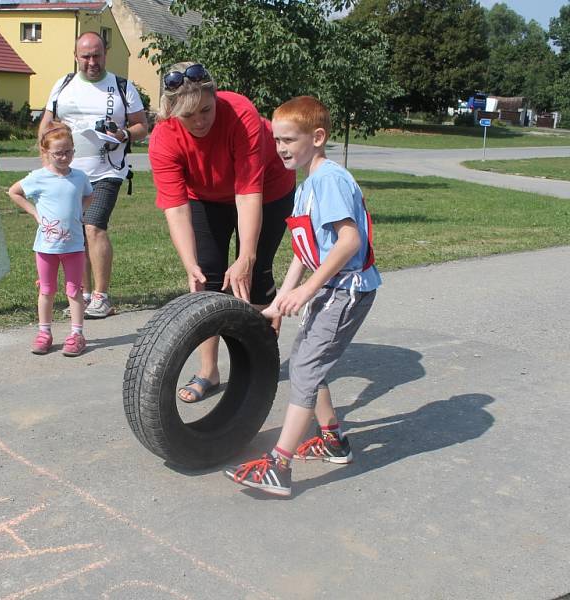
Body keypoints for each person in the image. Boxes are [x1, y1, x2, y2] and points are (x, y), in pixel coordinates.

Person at [224, 96, 382, 497]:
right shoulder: (307, 185)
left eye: (289, 140)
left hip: (345, 290)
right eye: (276, 140)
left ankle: (279, 464)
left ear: (318, 137)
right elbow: (302, 248)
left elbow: (349, 241)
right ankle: (332, 440)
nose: (280, 148)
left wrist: (309, 289)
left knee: (306, 368)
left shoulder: (329, 179)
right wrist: (283, 298)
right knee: (310, 360)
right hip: (329, 288)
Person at [148, 62, 296, 403]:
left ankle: (259, 367)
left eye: (206, 109)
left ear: (216, 97)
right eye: (188, 116)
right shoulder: (163, 139)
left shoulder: (240, 113)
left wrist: (246, 255)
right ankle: (209, 371)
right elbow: (176, 207)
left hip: (268, 189)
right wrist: (190, 264)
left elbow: (247, 191)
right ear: (171, 113)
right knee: (208, 275)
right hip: (206, 195)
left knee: (253, 273)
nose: (199, 121)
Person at [38, 31, 148, 319]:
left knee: (93, 226)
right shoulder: (63, 85)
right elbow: (46, 124)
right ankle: (83, 294)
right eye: (85, 56)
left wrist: (123, 133)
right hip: (69, 172)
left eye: (96, 55)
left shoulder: (122, 87)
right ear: (76, 56)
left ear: (105, 55)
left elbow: (141, 126)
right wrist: (45, 159)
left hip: (107, 169)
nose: (91, 62)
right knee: (76, 233)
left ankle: (101, 295)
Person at [8, 123, 94, 357]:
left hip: (74, 246)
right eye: (58, 153)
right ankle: (44, 332)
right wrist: (34, 212)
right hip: (46, 247)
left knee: (74, 291)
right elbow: (13, 192)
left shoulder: (79, 177)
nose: (64, 157)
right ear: (46, 153)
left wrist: (79, 212)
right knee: (46, 290)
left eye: (68, 151)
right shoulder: (38, 177)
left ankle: (77, 334)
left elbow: (89, 194)